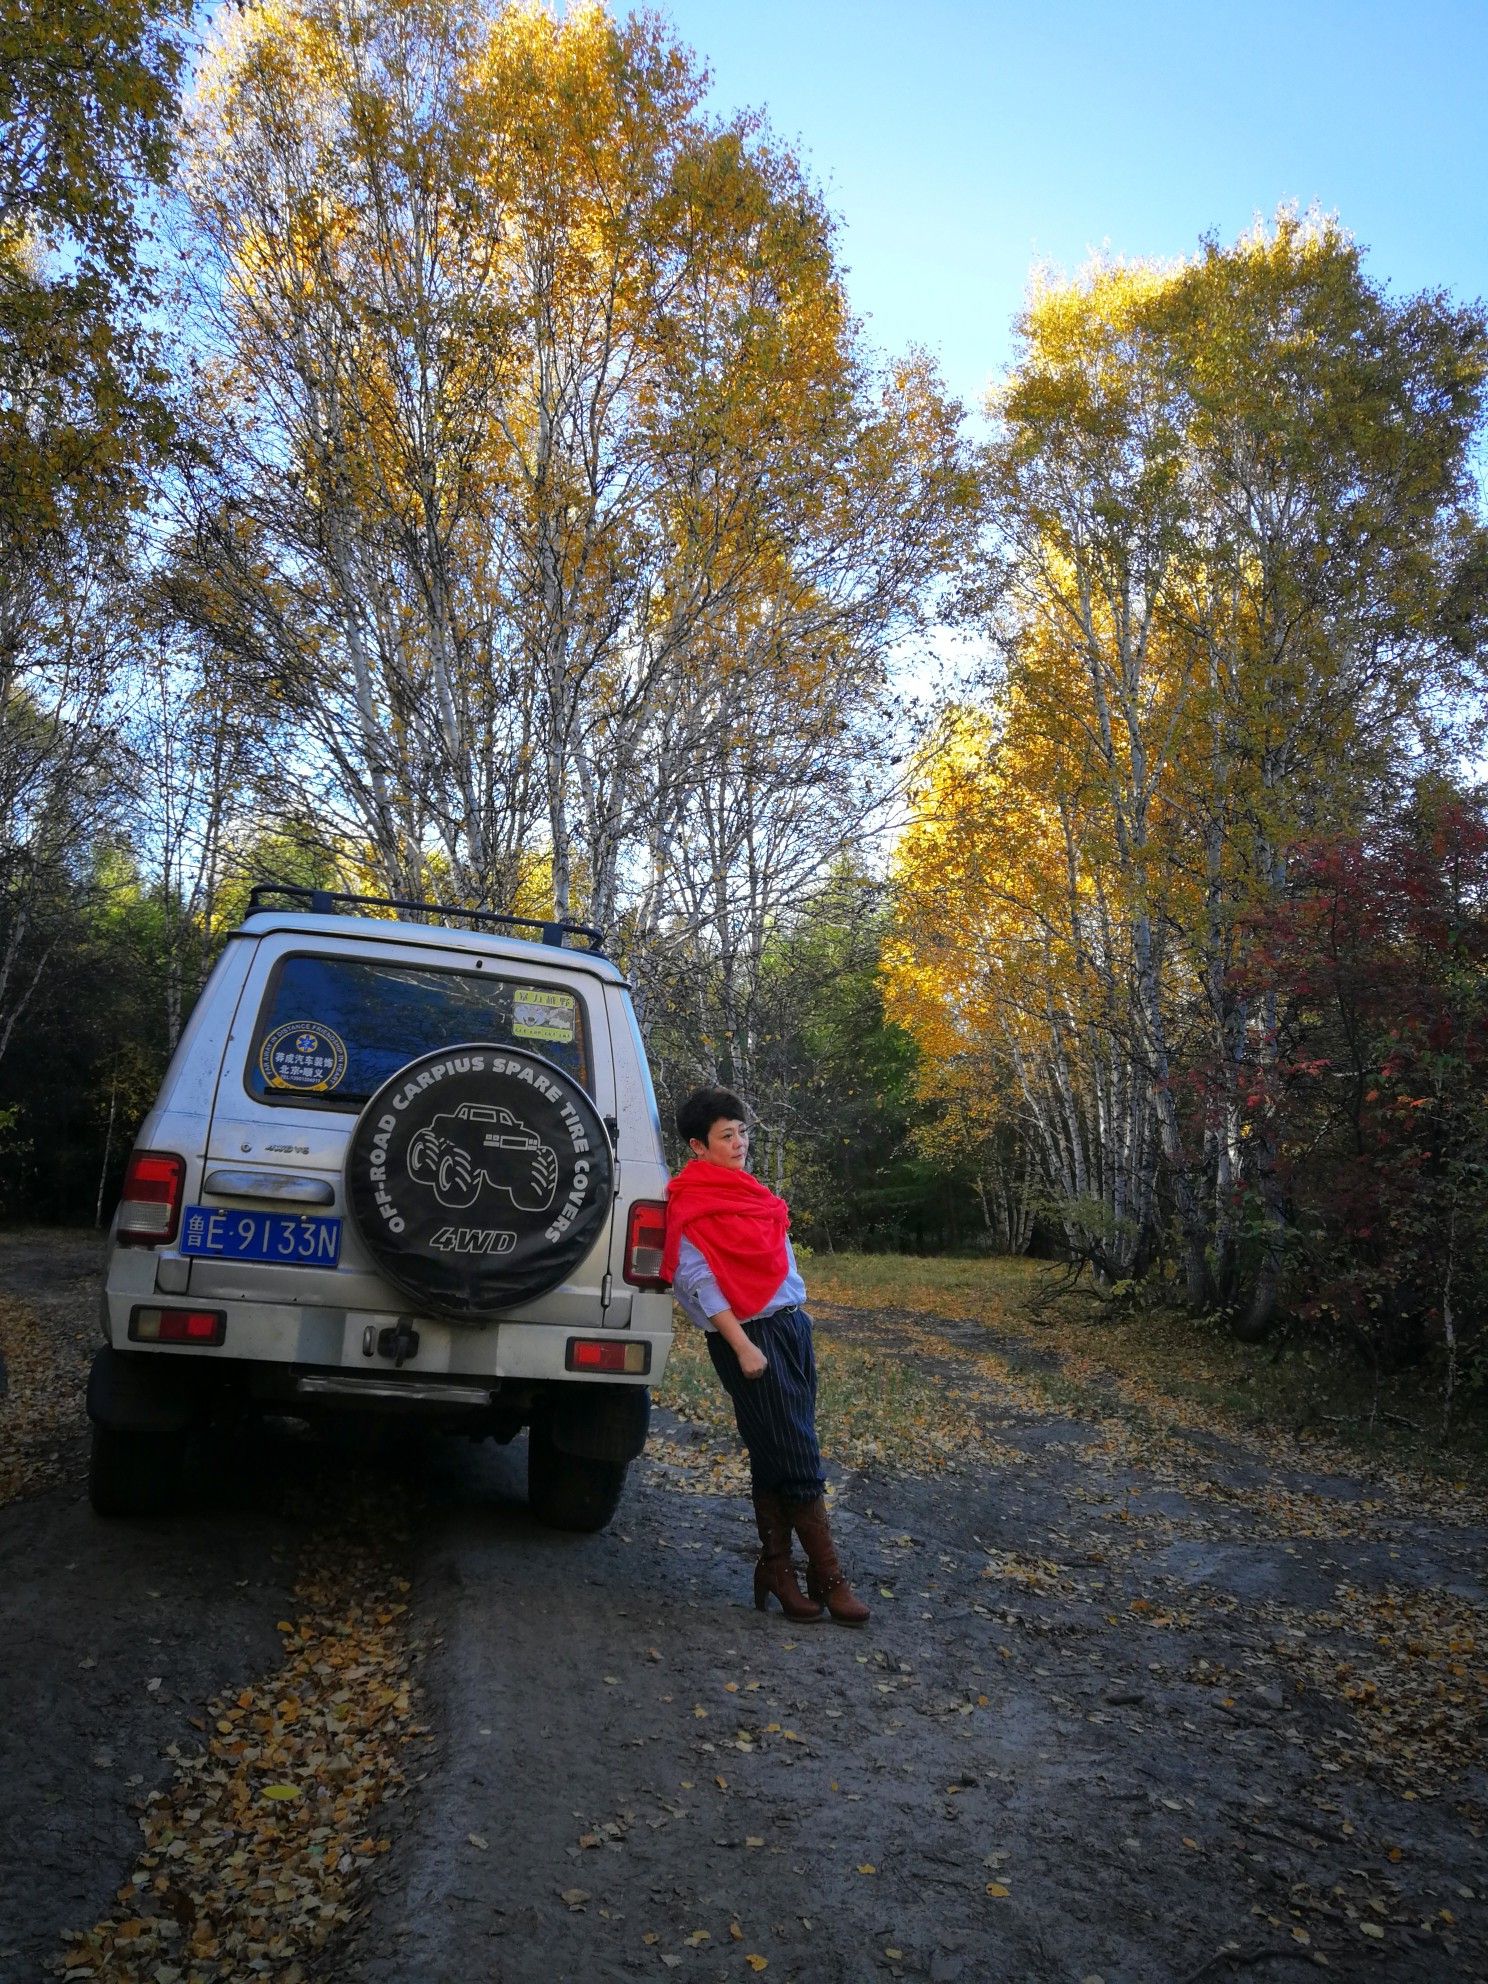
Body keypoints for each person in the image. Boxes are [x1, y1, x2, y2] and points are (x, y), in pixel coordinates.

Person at [660, 1085, 869, 1626]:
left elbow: (779, 1258)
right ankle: (830, 1578)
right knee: (797, 1454)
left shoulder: (751, 1191)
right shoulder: (690, 1200)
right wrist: (743, 1344)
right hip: (748, 1337)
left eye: (743, 1132)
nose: (739, 1143)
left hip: (790, 1328)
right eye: (726, 1135)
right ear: (696, 1146)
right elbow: (698, 1282)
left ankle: (777, 1567)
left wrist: (799, 1315)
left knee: (776, 1450)